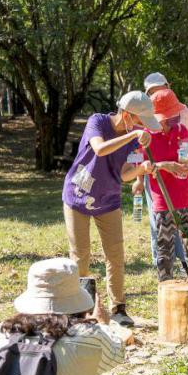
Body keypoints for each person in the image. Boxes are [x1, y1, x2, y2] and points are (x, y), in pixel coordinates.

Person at [0, 258, 131, 375]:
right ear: (76, 299)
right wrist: (103, 323)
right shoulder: (87, 340)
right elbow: (116, 352)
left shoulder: (3, 333)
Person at [62, 91, 159, 328]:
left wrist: (142, 169)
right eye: (140, 120)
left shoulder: (134, 139)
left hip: (109, 199)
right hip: (78, 196)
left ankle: (118, 308)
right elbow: (100, 149)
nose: (142, 126)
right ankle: (80, 310)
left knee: (115, 254)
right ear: (126, 115)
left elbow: (124, 174)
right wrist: (133, 134)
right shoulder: (97, 121)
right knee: (80, 254)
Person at [135, 71, 188, 270]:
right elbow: (138, 155)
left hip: (179, 175)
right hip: (155, 176)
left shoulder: (181, 111)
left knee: (179, 218)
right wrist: (139, 180)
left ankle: (184, 260)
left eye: (160, 90)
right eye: (152, 92)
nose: (156, 95)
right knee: (158, 219)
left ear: (168, 87)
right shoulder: (143, 119)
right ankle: (160, 261)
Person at [146, 89, 188, 281]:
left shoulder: (181, 130)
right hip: (164, 199)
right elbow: (142, 167)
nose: (172, 120)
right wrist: (165, 166)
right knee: (165, 246)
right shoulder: (147, 136)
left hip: (187, 195)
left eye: (174, 115)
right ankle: (165, 283)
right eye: (167, 117)